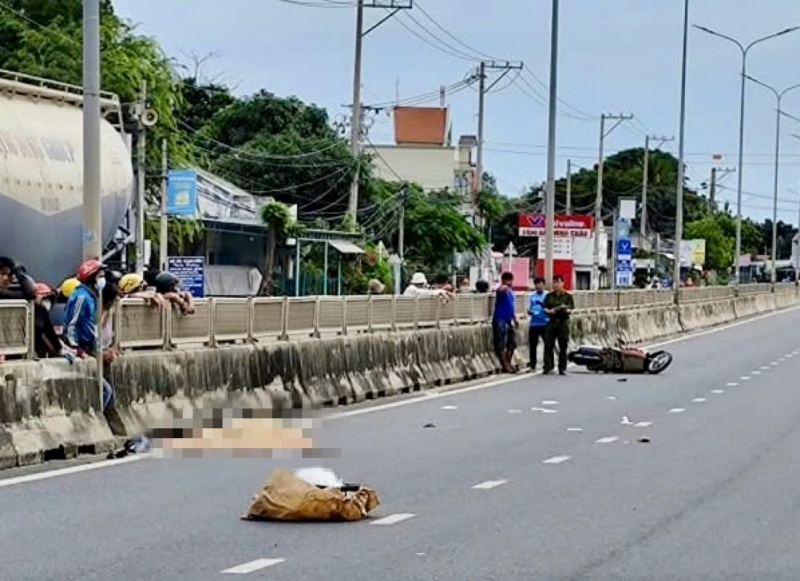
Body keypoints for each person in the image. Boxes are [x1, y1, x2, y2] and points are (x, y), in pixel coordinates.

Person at [543, 274, 574, 376]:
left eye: (558, 282)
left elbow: (571, 309)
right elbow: (544, 308)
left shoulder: (568, 296)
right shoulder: (549, 296)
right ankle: (548, 366)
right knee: (548, 345)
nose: (556, 285)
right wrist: (549, 311)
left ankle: (562, 367)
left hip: (563, 323)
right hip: (552, 322)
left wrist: (564, 309)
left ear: (562, 283)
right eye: (554, 282)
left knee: (563, 346)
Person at [492, 271, 518, 373]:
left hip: (509, 319)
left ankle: (508, 362)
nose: (509, 282)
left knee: (511, 342)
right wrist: (504, 286)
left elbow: (512, 306)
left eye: (510, 280)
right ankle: (505, 365)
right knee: (500, 342)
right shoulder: (502, 289)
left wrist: (515, 318)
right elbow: (499, 290)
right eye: (507, 280)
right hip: (500, 319)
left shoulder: (511, 292)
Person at [527, 277, 549, 371]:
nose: (538, 286)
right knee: (532, 345)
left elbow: (550, 307)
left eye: (540, 284)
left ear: (543, 284)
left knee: (548, 345)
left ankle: (547, 364)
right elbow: (528, 308)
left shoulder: (548, 295)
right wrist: (530, 312)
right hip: (534, 323)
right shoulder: (531, 295)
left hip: (545, 323)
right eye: (536, 284)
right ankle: (532, 365)